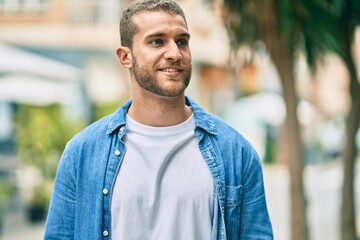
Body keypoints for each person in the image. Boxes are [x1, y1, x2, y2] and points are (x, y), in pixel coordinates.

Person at [44, 0, 273, 239]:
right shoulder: (82, 154)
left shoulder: (236, 153)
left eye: (182, 41)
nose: (174, 53)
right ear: (125, 57)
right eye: (157, 41)